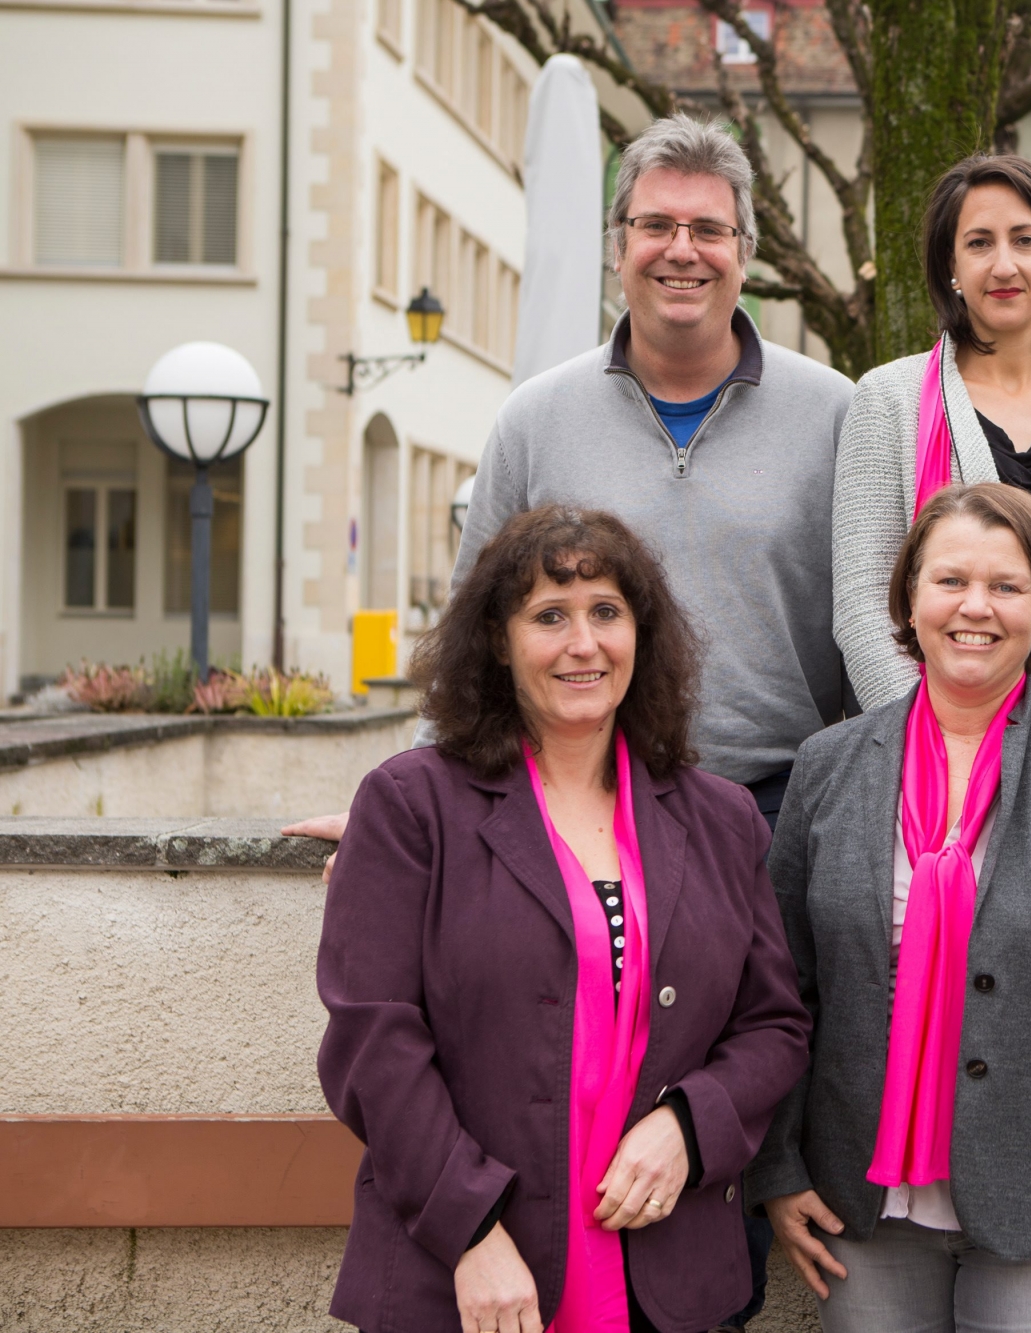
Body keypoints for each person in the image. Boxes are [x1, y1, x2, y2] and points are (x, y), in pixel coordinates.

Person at [289, 113, 851, 1329]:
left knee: (742, 1067)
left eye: (708, 226)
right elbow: (473, 624)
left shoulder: (837, 413)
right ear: (616, 245)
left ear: (745, 247)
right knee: (531, 1066)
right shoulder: (536, 417)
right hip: (533, 792)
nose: (681, 248)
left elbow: (873, 622)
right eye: (656, 224)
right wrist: (422, 806)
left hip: (755, 811)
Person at [317, 505, 810, 1333]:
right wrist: (471, 1232)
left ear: (640, 636)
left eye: (606, 613)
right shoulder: (411, 805)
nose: (583, 643)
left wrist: (691, 1126)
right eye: (550, 615)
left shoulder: (721, 817)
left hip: (670, 1274)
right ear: (498, 642)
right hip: (468, 1281)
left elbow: (774, 1026)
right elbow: (374, 1045)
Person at [749, 482, 1031, 1332]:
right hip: (860, 1203)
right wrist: (777, 1167)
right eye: (948, 580)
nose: (974, 607)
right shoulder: (826, 766)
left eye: (1007, 586)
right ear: (908, 600)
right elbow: (780, 989)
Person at [833, 155, 1031, 742]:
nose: (1004, 264)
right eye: (979, 242)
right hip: (935, 745)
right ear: (950, 266)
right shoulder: (887, 401)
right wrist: (933, 741)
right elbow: (863, 604)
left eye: (1025, 240)